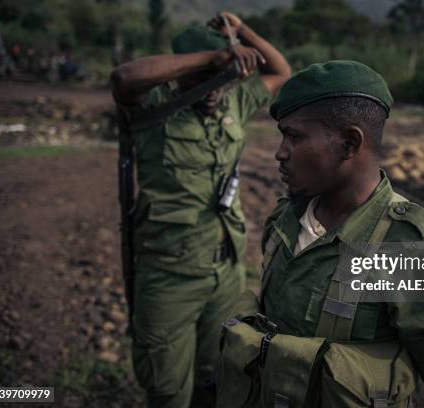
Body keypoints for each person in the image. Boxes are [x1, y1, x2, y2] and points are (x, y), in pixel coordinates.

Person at [218, 61, 424, 408]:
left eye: (294, 136)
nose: (279, 152)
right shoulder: (287, 218)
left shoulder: (413, 250)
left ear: (349, 143)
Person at [110, 12, 290, 408]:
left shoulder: (235, 101)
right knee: (168, 389)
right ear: (179, 75)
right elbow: (122, 79)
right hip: (168, 275)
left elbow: (280, 69)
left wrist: (240, 32)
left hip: (225, 271)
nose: (213, 90)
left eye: (221, 81)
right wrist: (212, 60)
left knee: (217, 380)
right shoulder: (154, 107)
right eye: (202, 80)